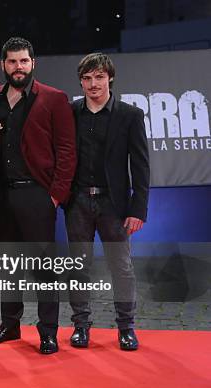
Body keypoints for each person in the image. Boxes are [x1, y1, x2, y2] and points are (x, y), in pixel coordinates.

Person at [0, 37, 76, 354]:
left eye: (23, 61)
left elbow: (66, 150)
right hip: (2, 198)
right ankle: (9, 325)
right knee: (8, 266)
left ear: (33, 63)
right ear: (3, 65)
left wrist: (55, 196)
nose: (17, 67)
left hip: (38, 195)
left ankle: (48, 331)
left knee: (44, 269)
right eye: (12, 61)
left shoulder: (54, 98)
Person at [66, 53, 149, 351]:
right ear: (81, 82)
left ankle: (127, 328)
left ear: (110, 78)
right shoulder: (70, 112)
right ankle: (80, 327)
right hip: (77, 202)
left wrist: (138, 209)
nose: (93, 84)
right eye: (87, 78)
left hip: (114, 206)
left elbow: (140, 166)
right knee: (79, 268)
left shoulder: (130, 115)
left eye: (99, 77)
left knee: (121, 268)